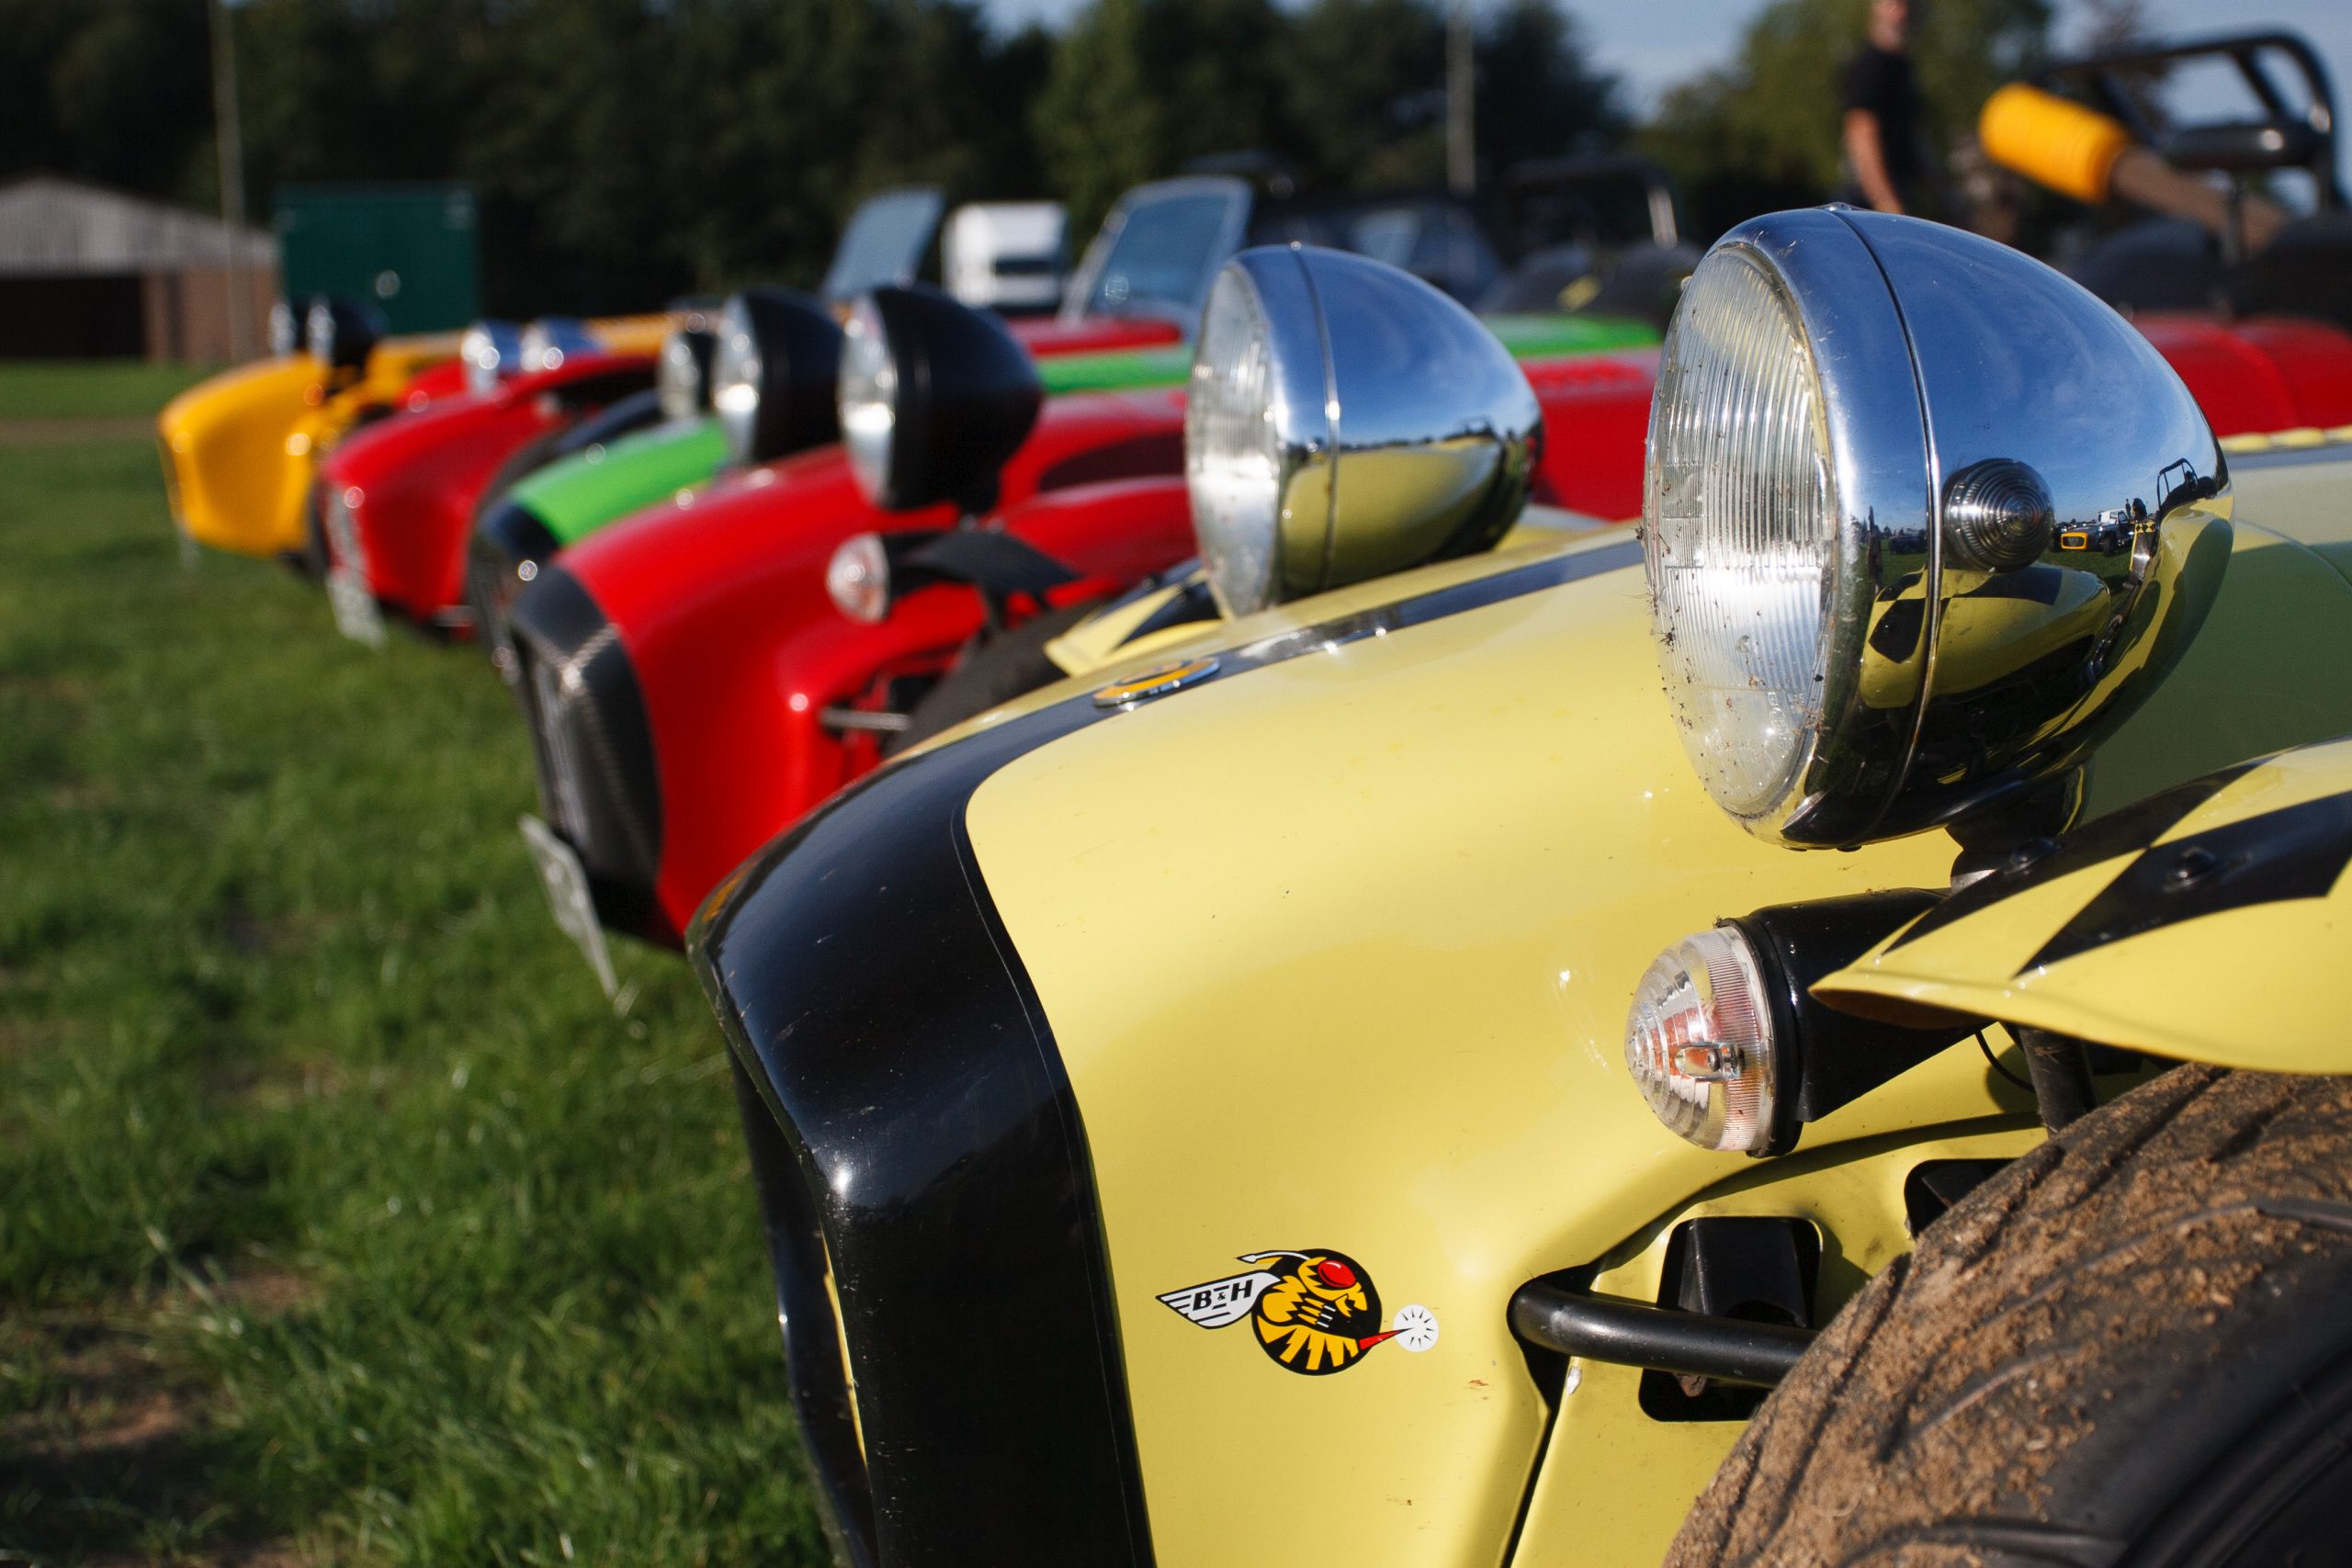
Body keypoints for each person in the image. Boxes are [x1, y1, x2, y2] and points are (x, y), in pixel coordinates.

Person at [1841, 0, 1925, 215]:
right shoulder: (1871, 65)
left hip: (1902, 192)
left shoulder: (1903, 68)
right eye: (1893, 4)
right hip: (1868, 204)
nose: (1901, 13)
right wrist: (1886, 202)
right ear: (1875, 6)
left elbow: (1916, 138)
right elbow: (1861, 133)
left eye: (1907, 4)